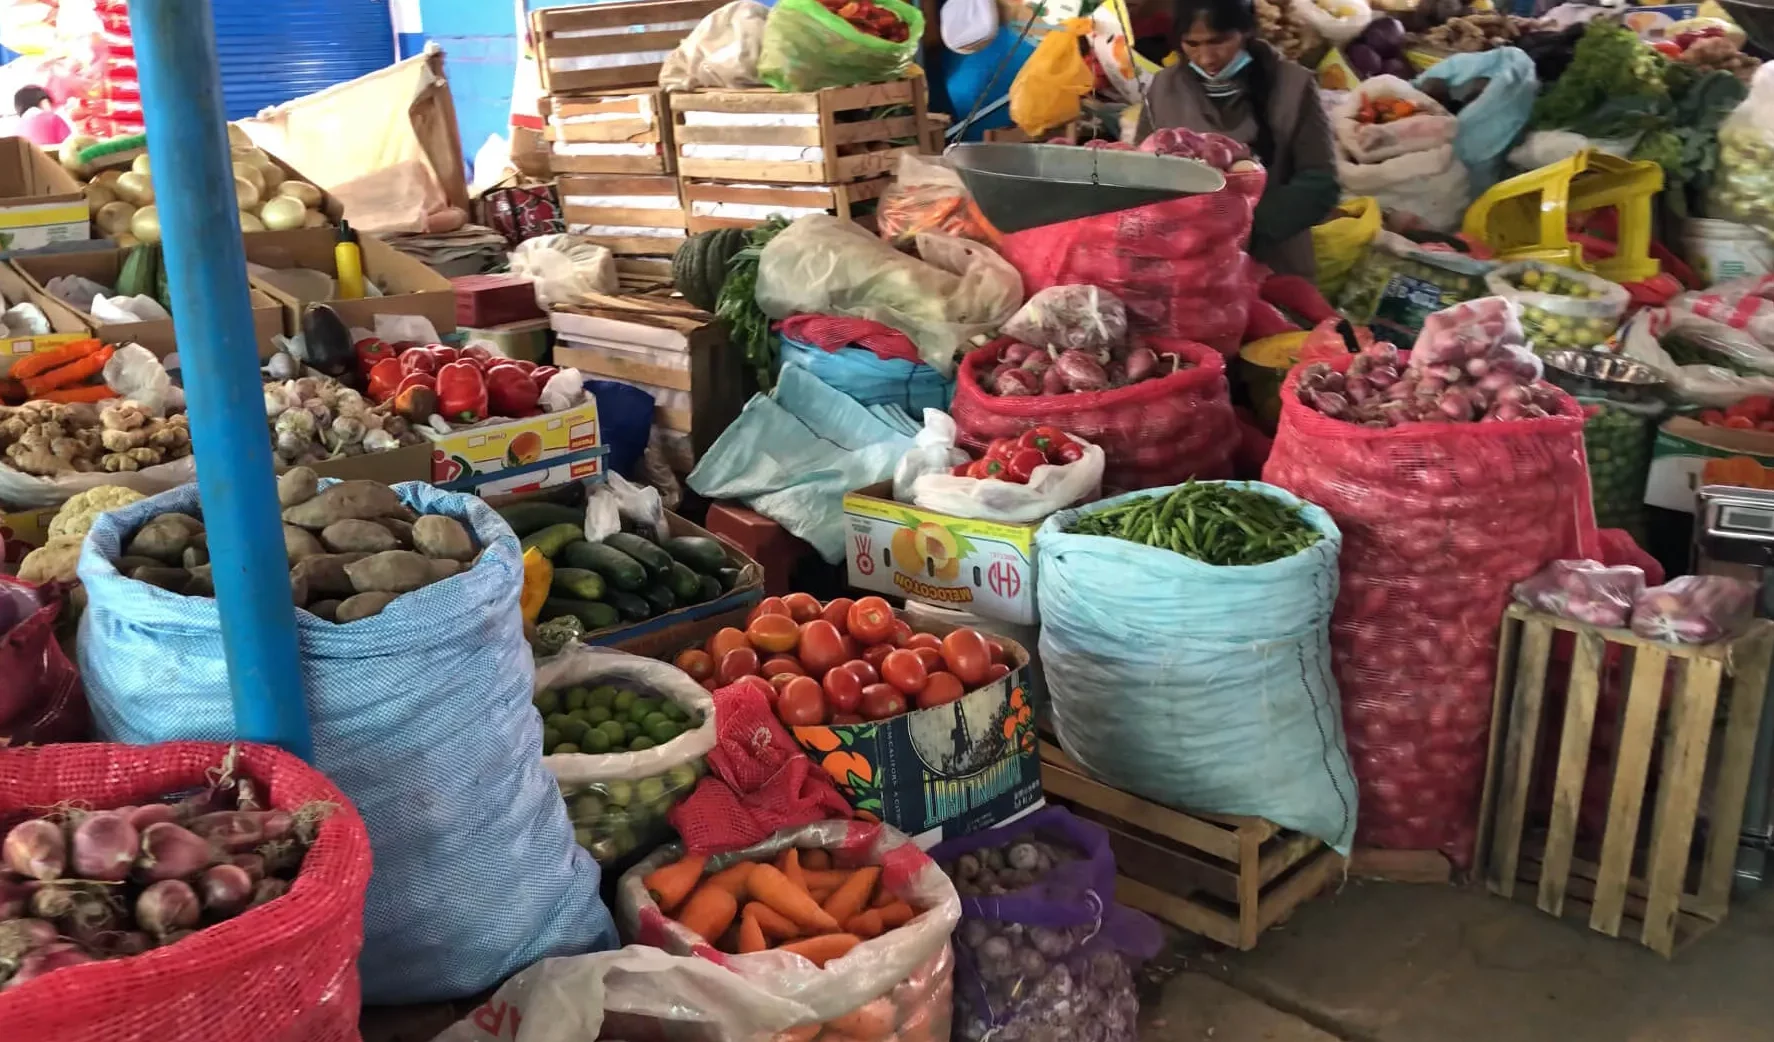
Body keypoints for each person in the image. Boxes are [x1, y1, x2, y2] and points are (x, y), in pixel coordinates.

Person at [1136, 0, 1339, 277]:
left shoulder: (1293, 86)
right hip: (1186, 263)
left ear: (1246, 32)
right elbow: (1138, 170)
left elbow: (1321, 182)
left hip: (1273, 262)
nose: (1206, 58)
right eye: (1192, 44)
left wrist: (1245, 226)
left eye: (1218, 41)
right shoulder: (1164, 88)